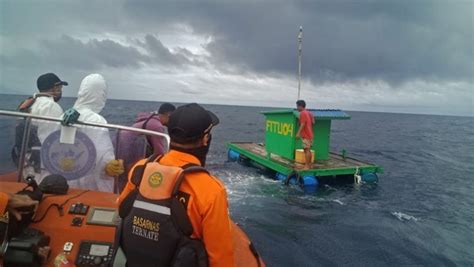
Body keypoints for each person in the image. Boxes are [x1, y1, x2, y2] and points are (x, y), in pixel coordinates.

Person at [117, 103, 234, 266]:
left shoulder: (141, 168)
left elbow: (121, 207)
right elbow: (221, 258)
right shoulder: (211, 190)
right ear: (206, 138)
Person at [68, 74, 124, 192]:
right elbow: (102, 155)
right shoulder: (96, 120)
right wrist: (110, 165)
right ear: (99, 95)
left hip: (67, 178)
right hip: (89, 183)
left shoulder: (65, 116)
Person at [116, 103, 176, 192]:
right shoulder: (156, 126)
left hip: (119, 146)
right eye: (173, 118)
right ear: (168, 115)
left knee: (123, 180)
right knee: (130, 181)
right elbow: (159, 152)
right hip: (128, 151)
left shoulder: (150, 118)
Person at [30, 73, 68, 143]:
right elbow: (50, 138)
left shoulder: (32, 103)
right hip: (41, 151)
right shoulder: (50, 106)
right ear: (55, 88)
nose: (61, 90)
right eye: (60, 87)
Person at [296, 100, 314, 169]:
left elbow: (303, 124)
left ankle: (306, 166)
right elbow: (313, 122)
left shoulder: (302, 113)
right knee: (308, 150)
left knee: (306, 150)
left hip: (306, 135)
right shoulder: (309, 113)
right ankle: (309, 165)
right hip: (310, 134)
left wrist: (298, 133)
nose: (297, 108)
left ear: (300, 106)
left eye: (297, 106)